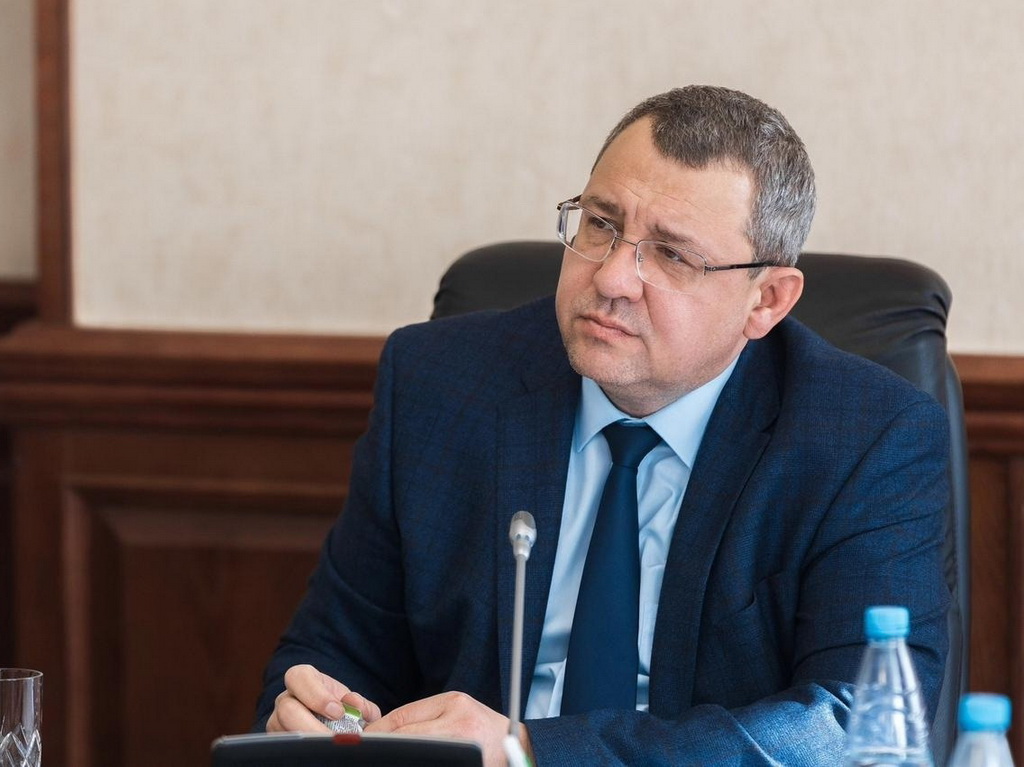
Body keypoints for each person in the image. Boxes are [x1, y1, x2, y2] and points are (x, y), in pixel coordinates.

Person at [255, 85, 950, 765]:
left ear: (765, 300)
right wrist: (322, 713)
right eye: (601, 224)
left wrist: (531, 752)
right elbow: (337, 648)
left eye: (672, 254)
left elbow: (854, 726)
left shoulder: (866, 437)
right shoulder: (440, 383)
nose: (612, 277)